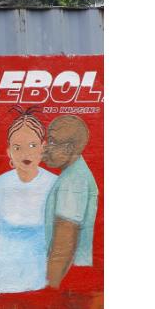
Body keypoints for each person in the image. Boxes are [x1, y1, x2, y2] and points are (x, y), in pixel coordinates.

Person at [0, 111, 57, 293]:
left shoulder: (53, 184)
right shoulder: (1, 183)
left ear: (43, 147)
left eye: (33, 145)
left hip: (38, 264)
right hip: (3, 261)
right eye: (17, 147)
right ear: (9, 151)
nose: (26, 153)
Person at [42, 115, 98, 289]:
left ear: (68, 148)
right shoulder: (74, 174)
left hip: (64, 278)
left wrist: (49, 290)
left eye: (51, 142)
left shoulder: (73, 181)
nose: (45, 148)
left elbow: (63, 246)